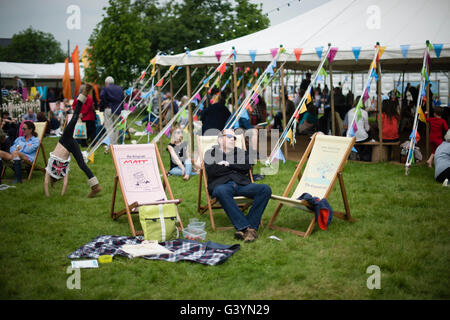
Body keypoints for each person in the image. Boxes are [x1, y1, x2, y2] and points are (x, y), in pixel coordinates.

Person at [204, 129, 272, 242]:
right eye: (230, 136)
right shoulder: (210, 153)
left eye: (234, 138)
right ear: (220, 139)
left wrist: (228, 164)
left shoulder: (240, 152)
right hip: (222, 185)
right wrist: (235, 166)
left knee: (265, 189)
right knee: (221, 191)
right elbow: (212, 171)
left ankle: (248, 227)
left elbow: (247, 165)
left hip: (241, 184)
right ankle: (246, 228)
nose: (233, 139)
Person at [44, 84, 102, 197]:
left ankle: (96, 186)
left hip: (66, 141)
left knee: (82, 164)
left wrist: (51, 195)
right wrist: (52, 193)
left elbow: (50, 182)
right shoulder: (57, 169)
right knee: (81, 164)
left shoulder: (53, 169)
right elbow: (48, 183)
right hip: (67, 142)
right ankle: (95, 186)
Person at [100, 76, 124, 152]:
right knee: (117, 127)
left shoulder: (105, 88)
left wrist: (105, 105)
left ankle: (112, 145)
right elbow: (123, 98)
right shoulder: (120, 88)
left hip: (109, 108)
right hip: (118, 109)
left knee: (109, 128)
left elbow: (102, 96)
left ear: (106, 83)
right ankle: (115, 144)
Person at [344, 96, 371, 161]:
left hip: (350, 136)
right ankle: (365, 156)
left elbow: (345, 126)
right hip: (362, 137)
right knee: (367, 137)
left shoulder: (350, 112)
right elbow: (367, 129)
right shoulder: (364, 112)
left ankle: (356, 154)